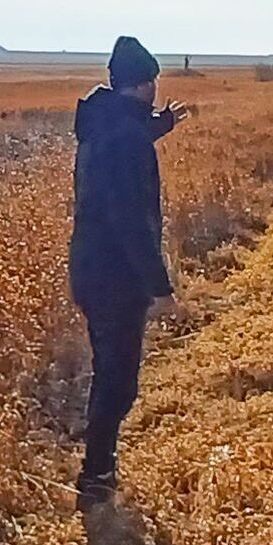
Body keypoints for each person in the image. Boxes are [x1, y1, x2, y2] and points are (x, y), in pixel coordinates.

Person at [68, 34, 188, 507]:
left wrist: (162, 125)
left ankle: (100, 464)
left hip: (90, 268)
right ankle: (96, 475)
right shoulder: (125, 140)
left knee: (110, 372)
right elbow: (132, 220)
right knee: (118, 381)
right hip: (115, 276)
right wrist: (160, 288)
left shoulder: (104, 123)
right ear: (144, 84)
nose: (155, 90)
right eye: (152, 82)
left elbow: (128, 137)